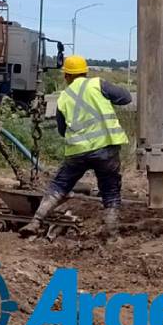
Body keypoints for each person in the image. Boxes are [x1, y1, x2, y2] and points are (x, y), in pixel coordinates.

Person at [20, 55, 131, 241]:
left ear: (66, 77)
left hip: (77, 151)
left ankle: (36, 221)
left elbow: (63, 130)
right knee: (110, 189)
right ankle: (111, 234)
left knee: (59, 185)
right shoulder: (98, 84)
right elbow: (126, 98)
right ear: (85, 72)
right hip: (106, 148)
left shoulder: (63, 97)